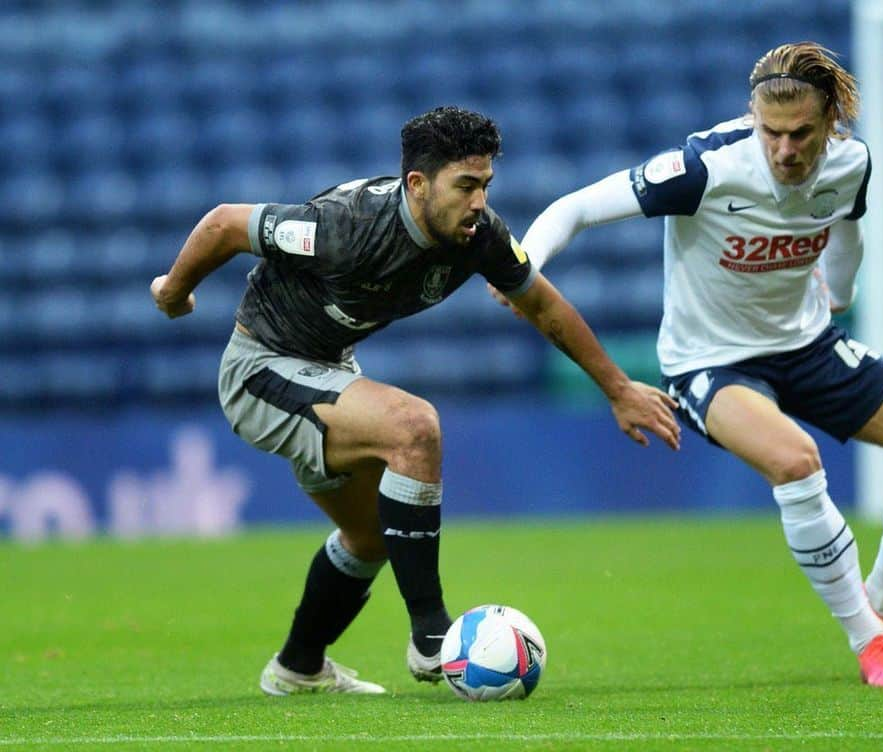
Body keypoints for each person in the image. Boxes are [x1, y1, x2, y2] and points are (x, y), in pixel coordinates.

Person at [151, 106, 680, 696]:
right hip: (260, 370)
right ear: (418, 184)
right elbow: (226, 224)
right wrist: (174, 292)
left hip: (327, 370)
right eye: (466, 186)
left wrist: (618, 388)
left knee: (373, 538)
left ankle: (297, 668)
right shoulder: (345, 227)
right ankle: (433, 640)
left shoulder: (480, 237)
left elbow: (543, 305)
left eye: (485, 186)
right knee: (413, 428)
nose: (479, 202)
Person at [510, 43, 883, 687]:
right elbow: (578, 208)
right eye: (771, 132)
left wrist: (840, 294)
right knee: (795, 461)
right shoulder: (704, 167)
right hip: (710, 362)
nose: (784, 150)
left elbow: (846, 224)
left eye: (801, 134)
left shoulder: (852, 162)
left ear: (831, 122)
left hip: (808, 344)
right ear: (754, 119)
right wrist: (526, 263)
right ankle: (869, 640)